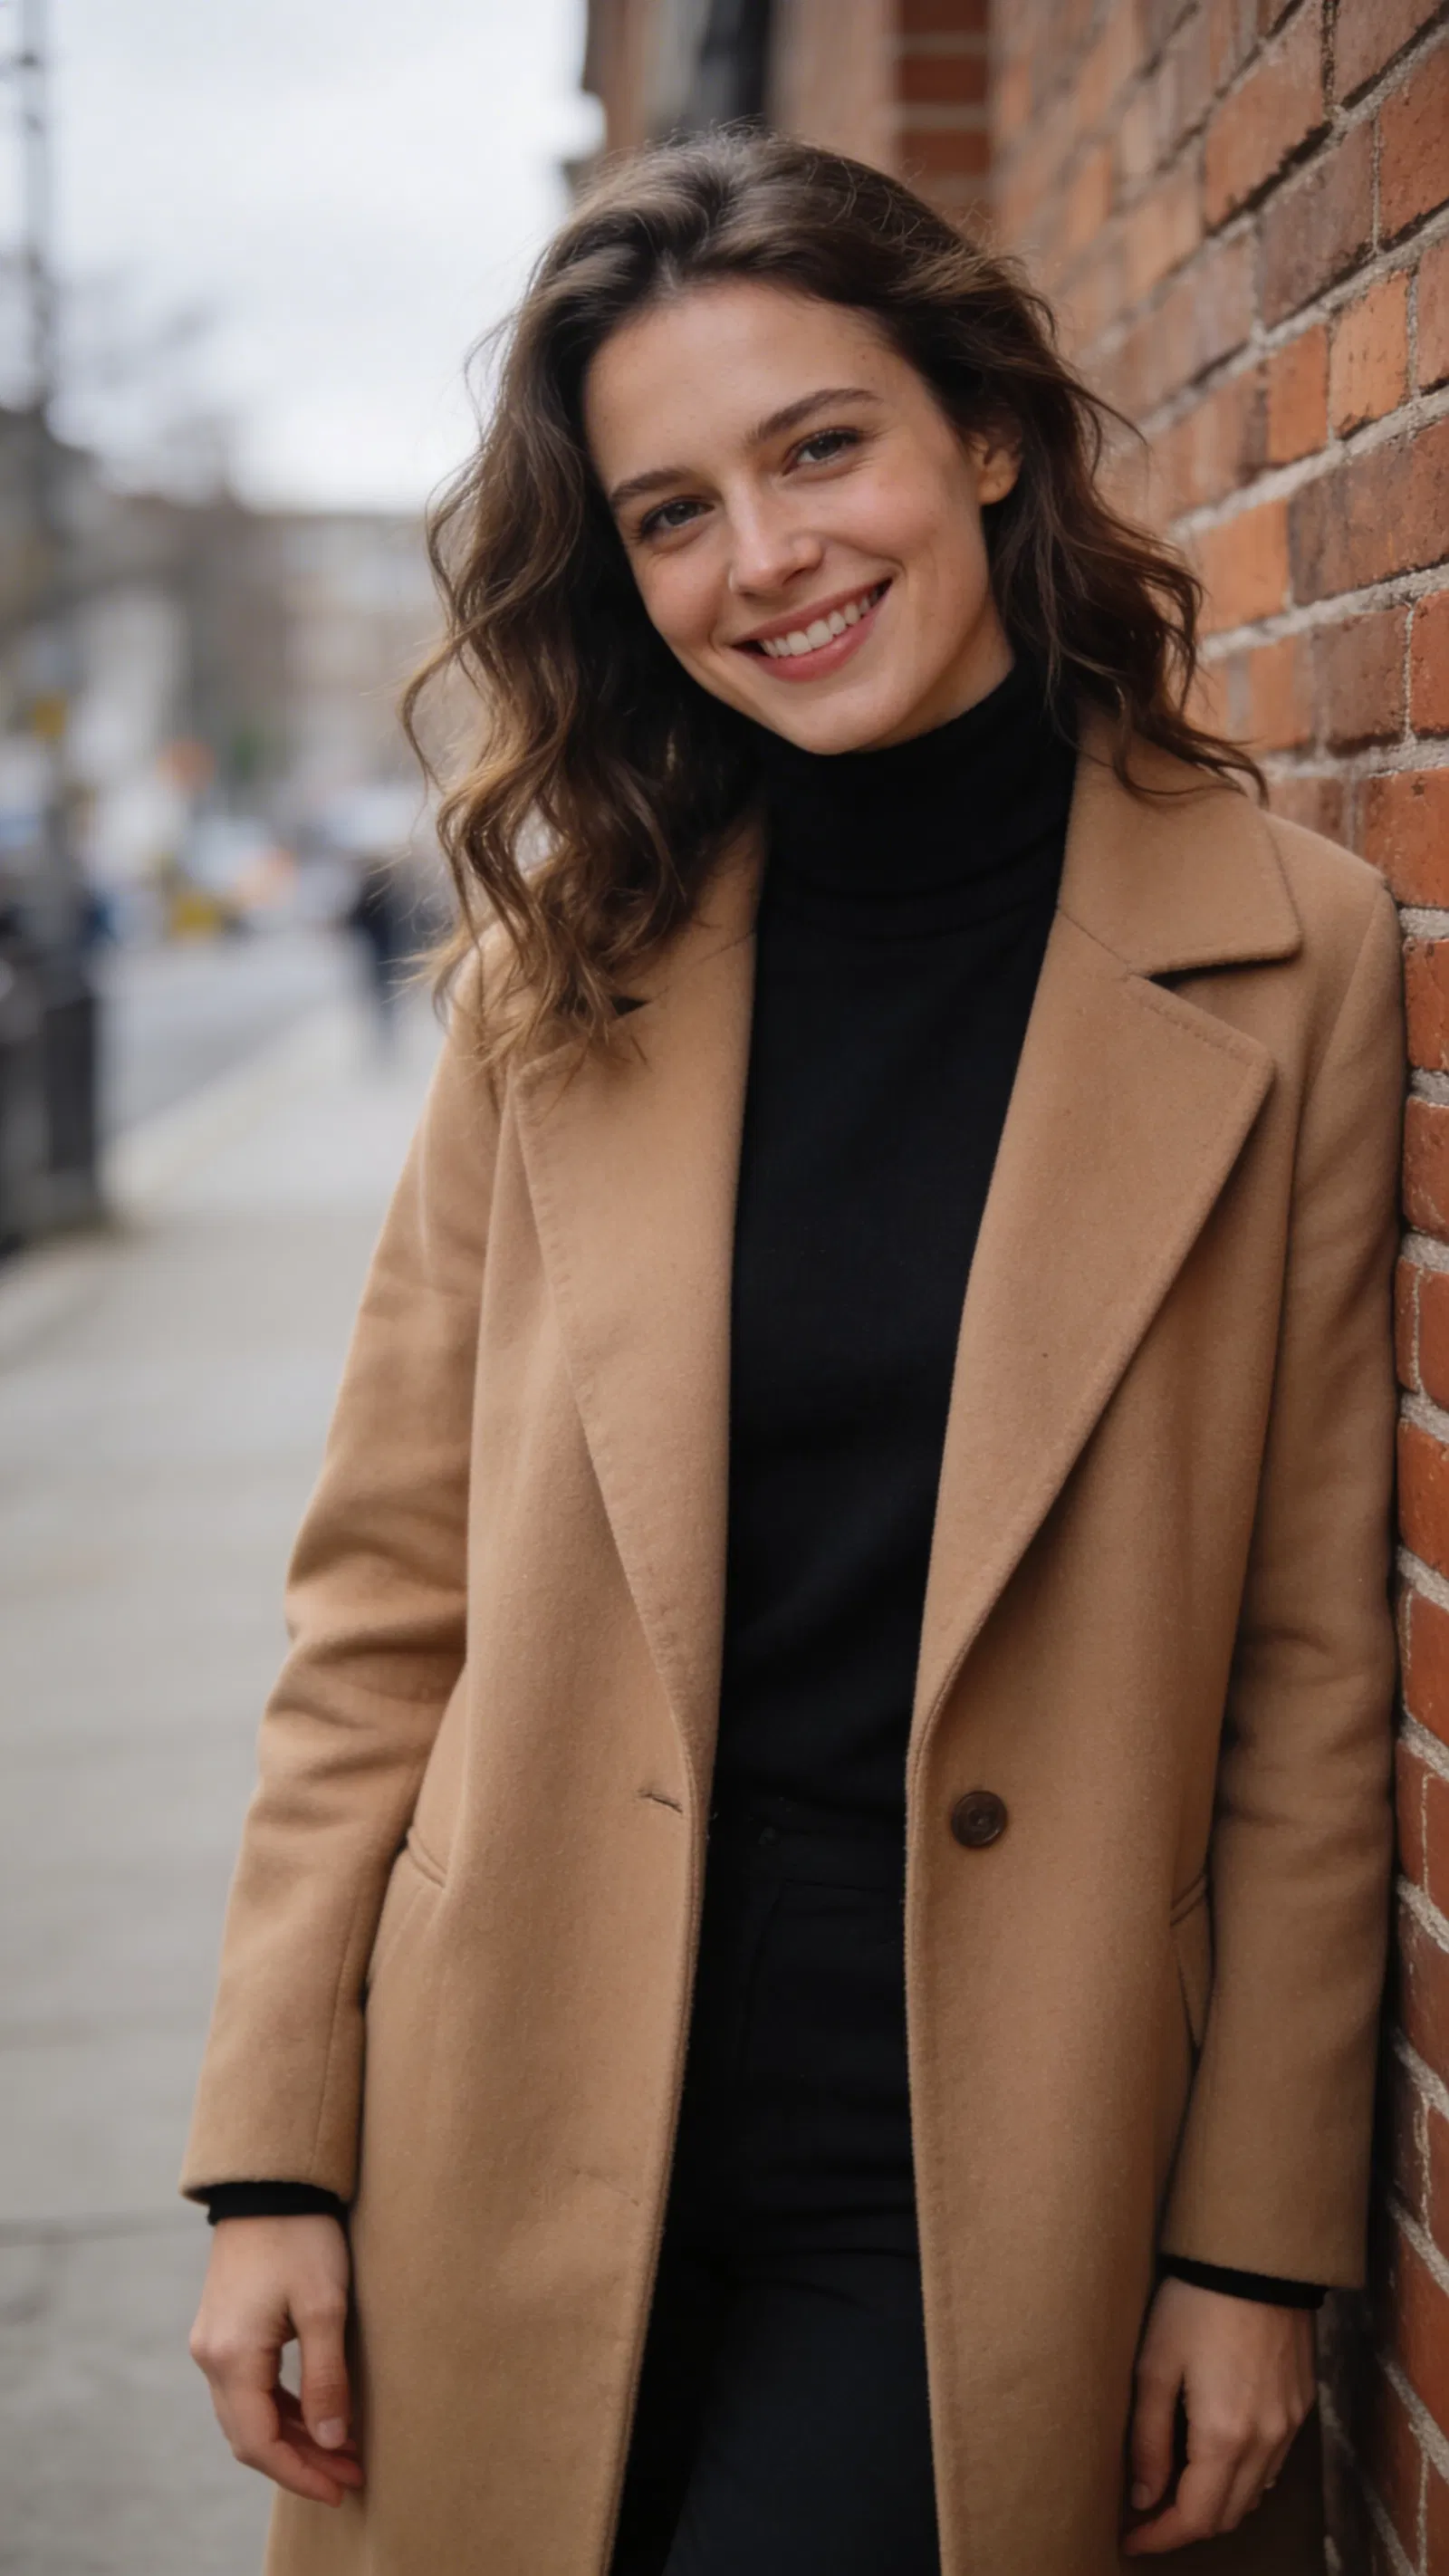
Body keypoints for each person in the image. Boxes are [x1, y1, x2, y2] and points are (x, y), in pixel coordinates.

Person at [183, 132, 1401, 2576]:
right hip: (506, 2098)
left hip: (976, 2154)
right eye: (670, 511)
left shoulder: (1289, 953)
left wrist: (1255, 2237)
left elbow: (1304, 1656)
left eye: (817, 447)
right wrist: (273, 2149)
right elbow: (382, 1600)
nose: (767, 558)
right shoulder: (565, 968)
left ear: (980, 431)